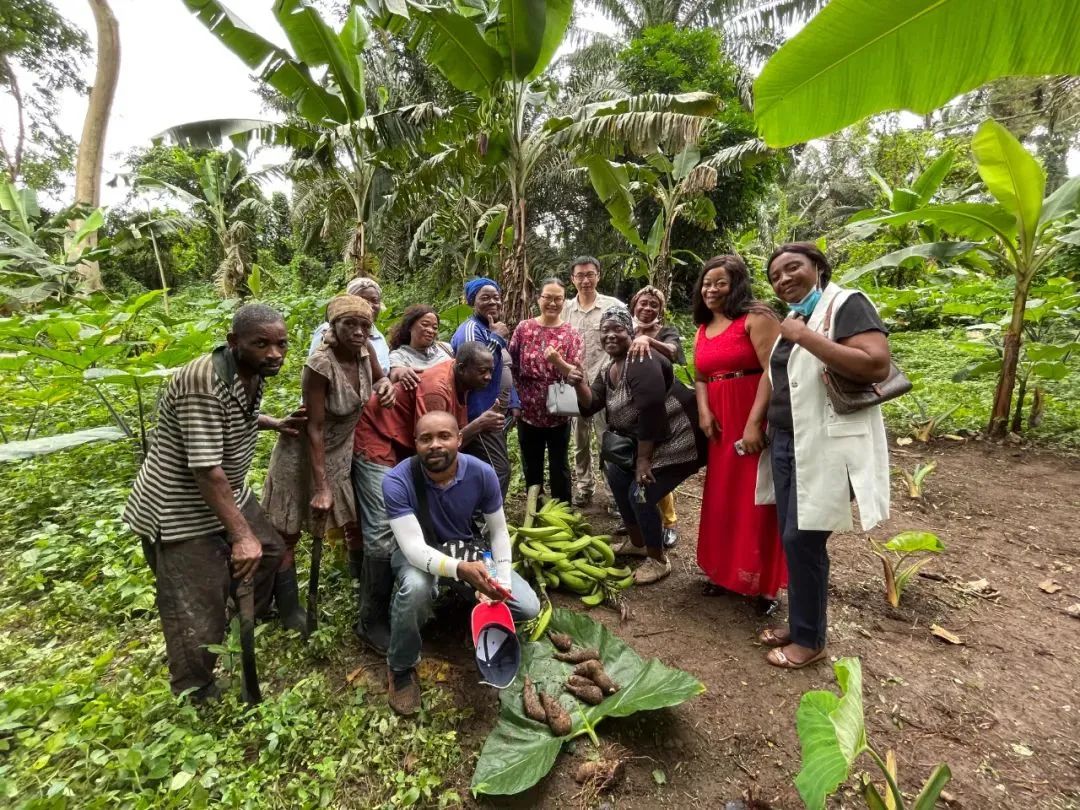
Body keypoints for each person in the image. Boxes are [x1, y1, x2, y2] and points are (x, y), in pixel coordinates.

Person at [123, 304, 305, 701]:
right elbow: (206, 470)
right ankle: (195, 689)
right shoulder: (202, 382)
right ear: (233, 342)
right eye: (262, 344)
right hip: (179, 509)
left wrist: (271, 422)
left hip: (229, 493)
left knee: (270, 551)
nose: (274, 353)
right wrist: (240, 535)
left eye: (281, 344)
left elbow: (233, 413)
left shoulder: (249, 373)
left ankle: (238, 614)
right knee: (194, 607)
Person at [757, 243, 892, 669]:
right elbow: (777, 377)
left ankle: (810, 640)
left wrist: (807, 338)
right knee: (793, 540)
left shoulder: (846, 304)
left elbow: (876, 365)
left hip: (826, 444)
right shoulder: (796, 316)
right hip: (787, 441)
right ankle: (801, 624)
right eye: (775, 275)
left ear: (817, 267)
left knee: (804, 539)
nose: (783, 279)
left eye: (792, 268)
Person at [381, 411, 541, 715]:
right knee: (416, 588)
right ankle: (400, 667)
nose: (435, 445)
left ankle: (473, 614)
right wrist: (460, 570)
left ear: (459, 438)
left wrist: (501, 583)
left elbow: (498, 532)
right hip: (419, 553)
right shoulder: (397, 481)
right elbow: (413, 547)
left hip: (465, 548)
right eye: (426, 439)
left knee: (526, 605)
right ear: (415, 444)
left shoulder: (482, 473)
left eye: (444, 436)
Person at [351, 342, 501, 653]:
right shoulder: (437, 390)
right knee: (380, 531)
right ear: (462, 368)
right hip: (380, 439)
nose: (488, 376)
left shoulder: (456, 378)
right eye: (482, 371)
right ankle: (370, 620)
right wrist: (478, 426)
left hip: (404, 440)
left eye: (491, 371)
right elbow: (436, 440)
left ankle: (415, 575)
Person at [262, 296, 395, 634]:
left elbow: (379, 380)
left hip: (341, 450)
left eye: (364, 325)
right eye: (350, 324)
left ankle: (358, 586)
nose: (358, 331)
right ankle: (290, 608)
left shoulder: (365, 354)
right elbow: (315, 427)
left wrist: (387, 387)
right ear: (333, 327)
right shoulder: (319, 364)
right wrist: (321, 486)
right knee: (287, 531)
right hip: (305, 452)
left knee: (353, 520)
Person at [566, 307, 706, 585]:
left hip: (677, 439)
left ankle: (657, 559)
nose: (610, 335)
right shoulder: (609, 368)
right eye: (605, 331)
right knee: (617, 477)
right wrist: (579, 383)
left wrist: (643, 462)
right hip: (647, 441)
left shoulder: (642, 360)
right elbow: (592, 403)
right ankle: (638, 541)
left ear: (630, 332)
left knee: (640, 493)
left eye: (617, 329)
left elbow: (651, 411)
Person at [692, 256, 786, 616]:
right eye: (706, 283)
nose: (711, 290)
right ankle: (722, 572)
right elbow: (701, 376)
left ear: (737, 285)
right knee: (722, 495)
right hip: (718, 420)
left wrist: (753, 423)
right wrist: (703, 411)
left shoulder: (757, 317)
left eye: (720, 283)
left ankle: (763, 584)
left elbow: (772, 370)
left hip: (752, 413)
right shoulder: (704, 326)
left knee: (757, 498)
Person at [509, 278, 584, 503]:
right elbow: (510, 366)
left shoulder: (571, 332)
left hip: (558, 412)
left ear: (564, 301)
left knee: (560, 464)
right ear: (538, 299)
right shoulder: (524, 328)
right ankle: (537, 508)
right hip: (528, 412)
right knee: (532, 465)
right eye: (547, 298)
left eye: (558, 298)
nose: (552, 303)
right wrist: (514, 402)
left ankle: (563, 510)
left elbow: (577, 373)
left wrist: (558, 362)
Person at [562, 257, 623, 508]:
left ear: (598, 275)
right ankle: (584, 487)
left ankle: (613, 495)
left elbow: (628, 336)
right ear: (572, 279)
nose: (585, 280)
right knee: (579, 441)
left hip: (605, 386)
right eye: (580, 275)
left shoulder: (613, 306)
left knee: (607, 439)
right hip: (574, 385)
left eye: (590, 274)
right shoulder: (565, 309)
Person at [451, 277, 521, 497]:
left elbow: (502, 367)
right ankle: (485, 523)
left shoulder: (487, 328)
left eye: (496, 297)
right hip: (478, 413)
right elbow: (477, 368)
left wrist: (513, 400)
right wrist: (497, 337)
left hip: (494, 410)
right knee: (498, 470)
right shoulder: (472, 329)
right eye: (485, 297)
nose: (493, 302)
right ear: (473, 301)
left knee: (482, 469)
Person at [628, 284, 685, 548]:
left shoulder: (665, 332)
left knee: (655, 466)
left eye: (654, 305)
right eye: (643, 303)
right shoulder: (627, 330)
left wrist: (648, 339)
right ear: (634, 305)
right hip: (630, 407)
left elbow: (673, 352)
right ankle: (640, 515)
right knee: (631, 464)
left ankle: (669, 521)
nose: (647, 308)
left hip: (660, 408)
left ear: (660, 310)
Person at [309, 277, 390, 372]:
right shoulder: (328, 330)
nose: (369, 305)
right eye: (362, 299)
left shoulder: (379, 337)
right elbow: (316, 367)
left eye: (374, 300)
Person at [387, 305, 454, 372]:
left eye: (435, 328)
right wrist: (400, 372)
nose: (430, 331)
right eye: (425, 325)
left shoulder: (446, 348)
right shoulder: (399, 357)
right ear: (410, 326)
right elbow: (395, 374)